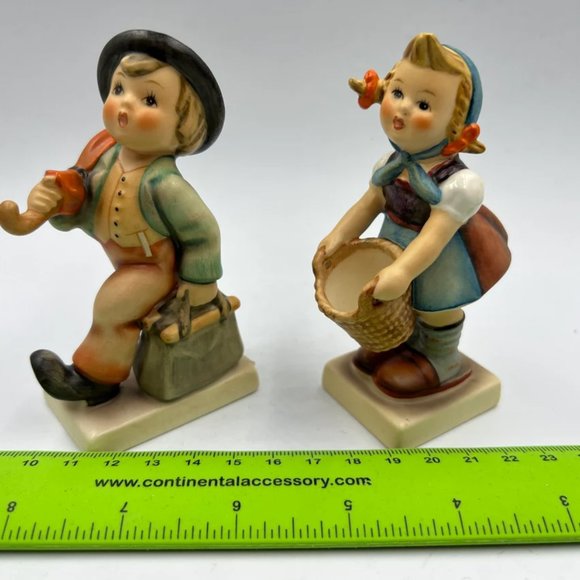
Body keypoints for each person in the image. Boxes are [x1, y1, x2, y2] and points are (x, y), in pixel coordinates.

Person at [27, 30, 226, 405]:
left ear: (183, 127)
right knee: (111, 303)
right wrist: (53, 204)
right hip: (124, 258)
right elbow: (82, 206)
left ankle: (95, 378)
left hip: (153, 267)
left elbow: (205, 233)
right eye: (119, 89)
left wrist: (198, 287)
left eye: (149, 99)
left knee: (110, 307)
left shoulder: (165, 185)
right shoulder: (103, 158)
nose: (124, 105)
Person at [318, 33, 510, 398]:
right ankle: (399, 343)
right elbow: (369, 203)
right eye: (398, 93)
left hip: (439, 258)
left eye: (423, 104)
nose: (403, 109)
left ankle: (440, 358)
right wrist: (338, 237)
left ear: (456, 126)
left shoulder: (458, 184)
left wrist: (403, 271)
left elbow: (435, 235)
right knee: (393, 300)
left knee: (434, 305)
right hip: (394, 240)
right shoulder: (389, 164)